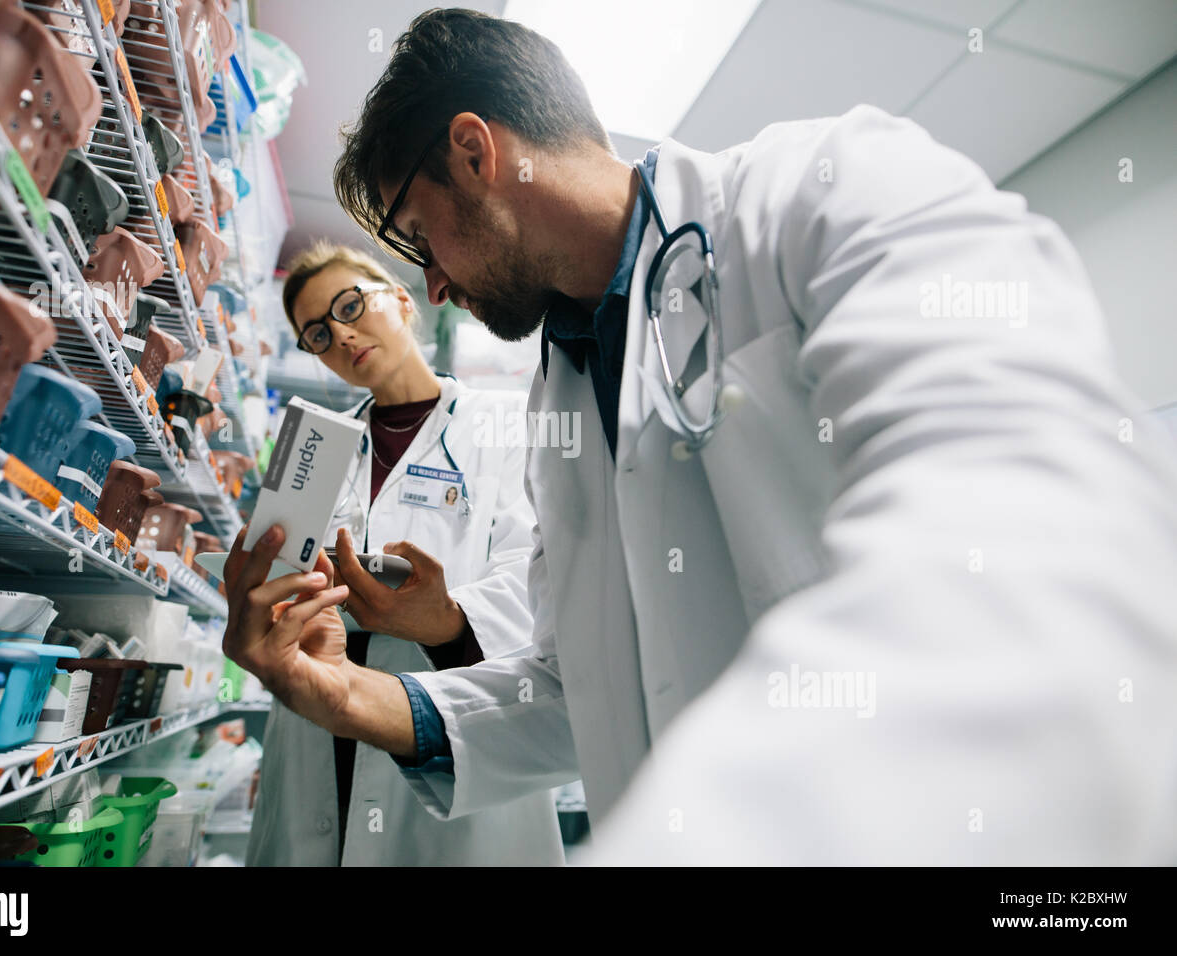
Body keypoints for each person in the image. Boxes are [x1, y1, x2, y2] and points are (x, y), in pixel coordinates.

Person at [225, 10, 1177, 864]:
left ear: (475, 153)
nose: (433, 284)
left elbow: (1036, 549)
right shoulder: (564, 387)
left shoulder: (824, 195)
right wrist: (349, 699)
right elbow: (576, 690)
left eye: (421, 238)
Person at [240, 241, 563, 866]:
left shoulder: (506, 422)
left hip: (446, 722)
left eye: (350, 305)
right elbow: (277, 574)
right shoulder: (315, 448)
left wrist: (443, 619)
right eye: (316, 332)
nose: (340, 334)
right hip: (317, 723)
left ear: (403, 302)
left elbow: (539, 574)